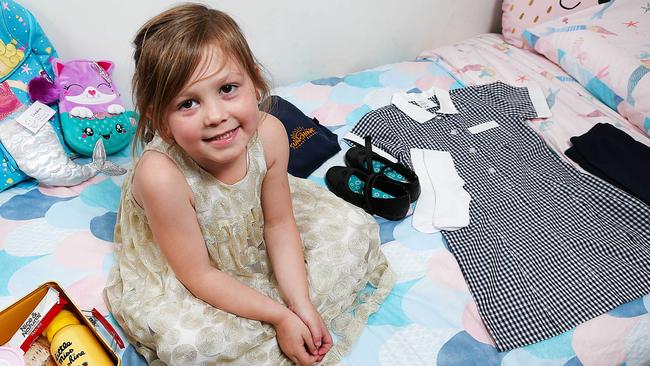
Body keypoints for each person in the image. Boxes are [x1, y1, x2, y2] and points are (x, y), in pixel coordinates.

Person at [103, 3, 395, 365]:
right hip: (194, 263)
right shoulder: (162, 177)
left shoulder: (270, 133)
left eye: (227, 89)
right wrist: (280, 316)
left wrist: (300, 304)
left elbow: (278, 222)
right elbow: (197, 274)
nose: (216, 116)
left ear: (254, 83)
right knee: (189, 343)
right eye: (188, 103)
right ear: (159, 120)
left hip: (254, 228)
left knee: (350, 231)